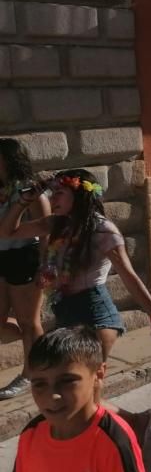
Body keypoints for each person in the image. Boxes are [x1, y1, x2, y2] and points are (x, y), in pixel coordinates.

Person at [0, 170, 151, 444]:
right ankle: (132, 422)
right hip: (66, 316)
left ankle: (107, 448)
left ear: (80, 193)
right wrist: (25, 199)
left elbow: (129, 275)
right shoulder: (57, 224)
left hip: (95, 317)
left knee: (80, 395)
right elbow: (6, 232)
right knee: (84, 396)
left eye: (60, 192)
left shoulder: (102, 229)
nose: (53, 197)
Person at [1, 327, 151, 472]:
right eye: (40, 384)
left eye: (67, 381)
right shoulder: (32, 434)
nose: (52, 396)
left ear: (99, 373)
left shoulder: (114, 441)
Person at [0, 139, 51, 400]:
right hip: (1, 257)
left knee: (29, 322)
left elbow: (46, 229)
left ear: (9, 159)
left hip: (24, 257)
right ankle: (41, 346)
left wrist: (46, 264)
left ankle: (30, 373)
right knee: (23, 325)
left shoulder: (30, 189)